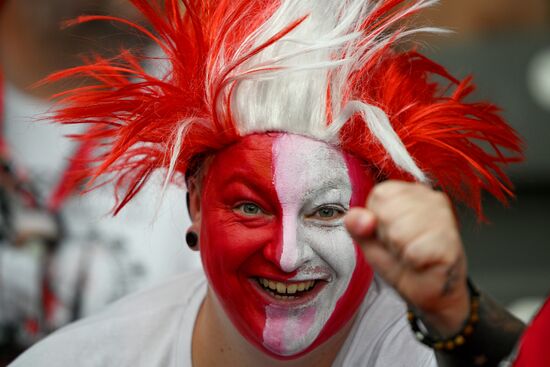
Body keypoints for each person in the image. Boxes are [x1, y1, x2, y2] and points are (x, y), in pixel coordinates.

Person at [11, 0, 525, 366]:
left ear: (378, 215)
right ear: (194, 204)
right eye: (251, 209)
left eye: (327, 212)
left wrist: (458, 316)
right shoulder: (87, 357)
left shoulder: (423, 349)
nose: (286, 256)